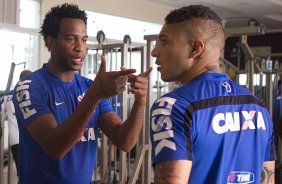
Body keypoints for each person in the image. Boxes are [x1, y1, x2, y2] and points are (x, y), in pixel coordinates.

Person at [12, 3, 152, 184]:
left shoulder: (89, 86)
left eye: (84, 40)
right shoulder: (30, 87)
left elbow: (125, 142)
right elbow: (55, 148)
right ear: (50, 42)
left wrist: (140, 100)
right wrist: (94, 96)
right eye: (71, 39)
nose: (80, 47)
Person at [149, 5, 276, 184]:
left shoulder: (172, 106)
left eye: (164, 41)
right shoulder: (258, 106)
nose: (155, 51)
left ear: (196, 48)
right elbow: (268, 179)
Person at [0, 69, 32, 175]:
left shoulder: (7, 96)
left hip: (16, 139)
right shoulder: (35, 92)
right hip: (34, 138)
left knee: (22, 173)